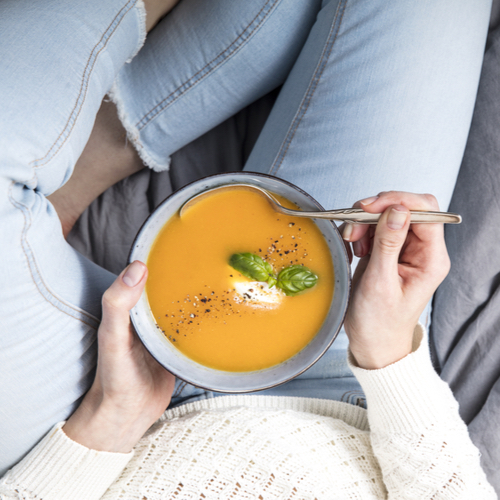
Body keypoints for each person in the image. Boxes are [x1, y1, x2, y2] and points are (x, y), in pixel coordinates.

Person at [0, 0, 495, 497]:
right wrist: (386, 354)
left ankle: (94, 133)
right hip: (339, 372)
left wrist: (110, 421)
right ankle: (99, 147)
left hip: (101, 428)